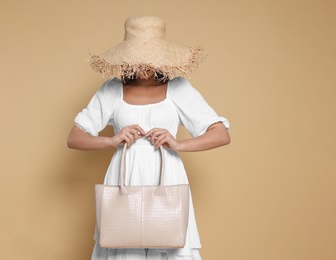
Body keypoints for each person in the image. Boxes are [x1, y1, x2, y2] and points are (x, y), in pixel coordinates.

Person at [67, 16, 231, 260]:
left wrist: (179, 144)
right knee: (122, 244)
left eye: (151, 57)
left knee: (171, 242)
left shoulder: (179, 88)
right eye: (138, 57)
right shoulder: (112, 89)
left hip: (167, 177)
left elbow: (221, 134)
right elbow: (74, 138)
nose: (145, 65)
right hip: (124, 178)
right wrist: (112, 140)